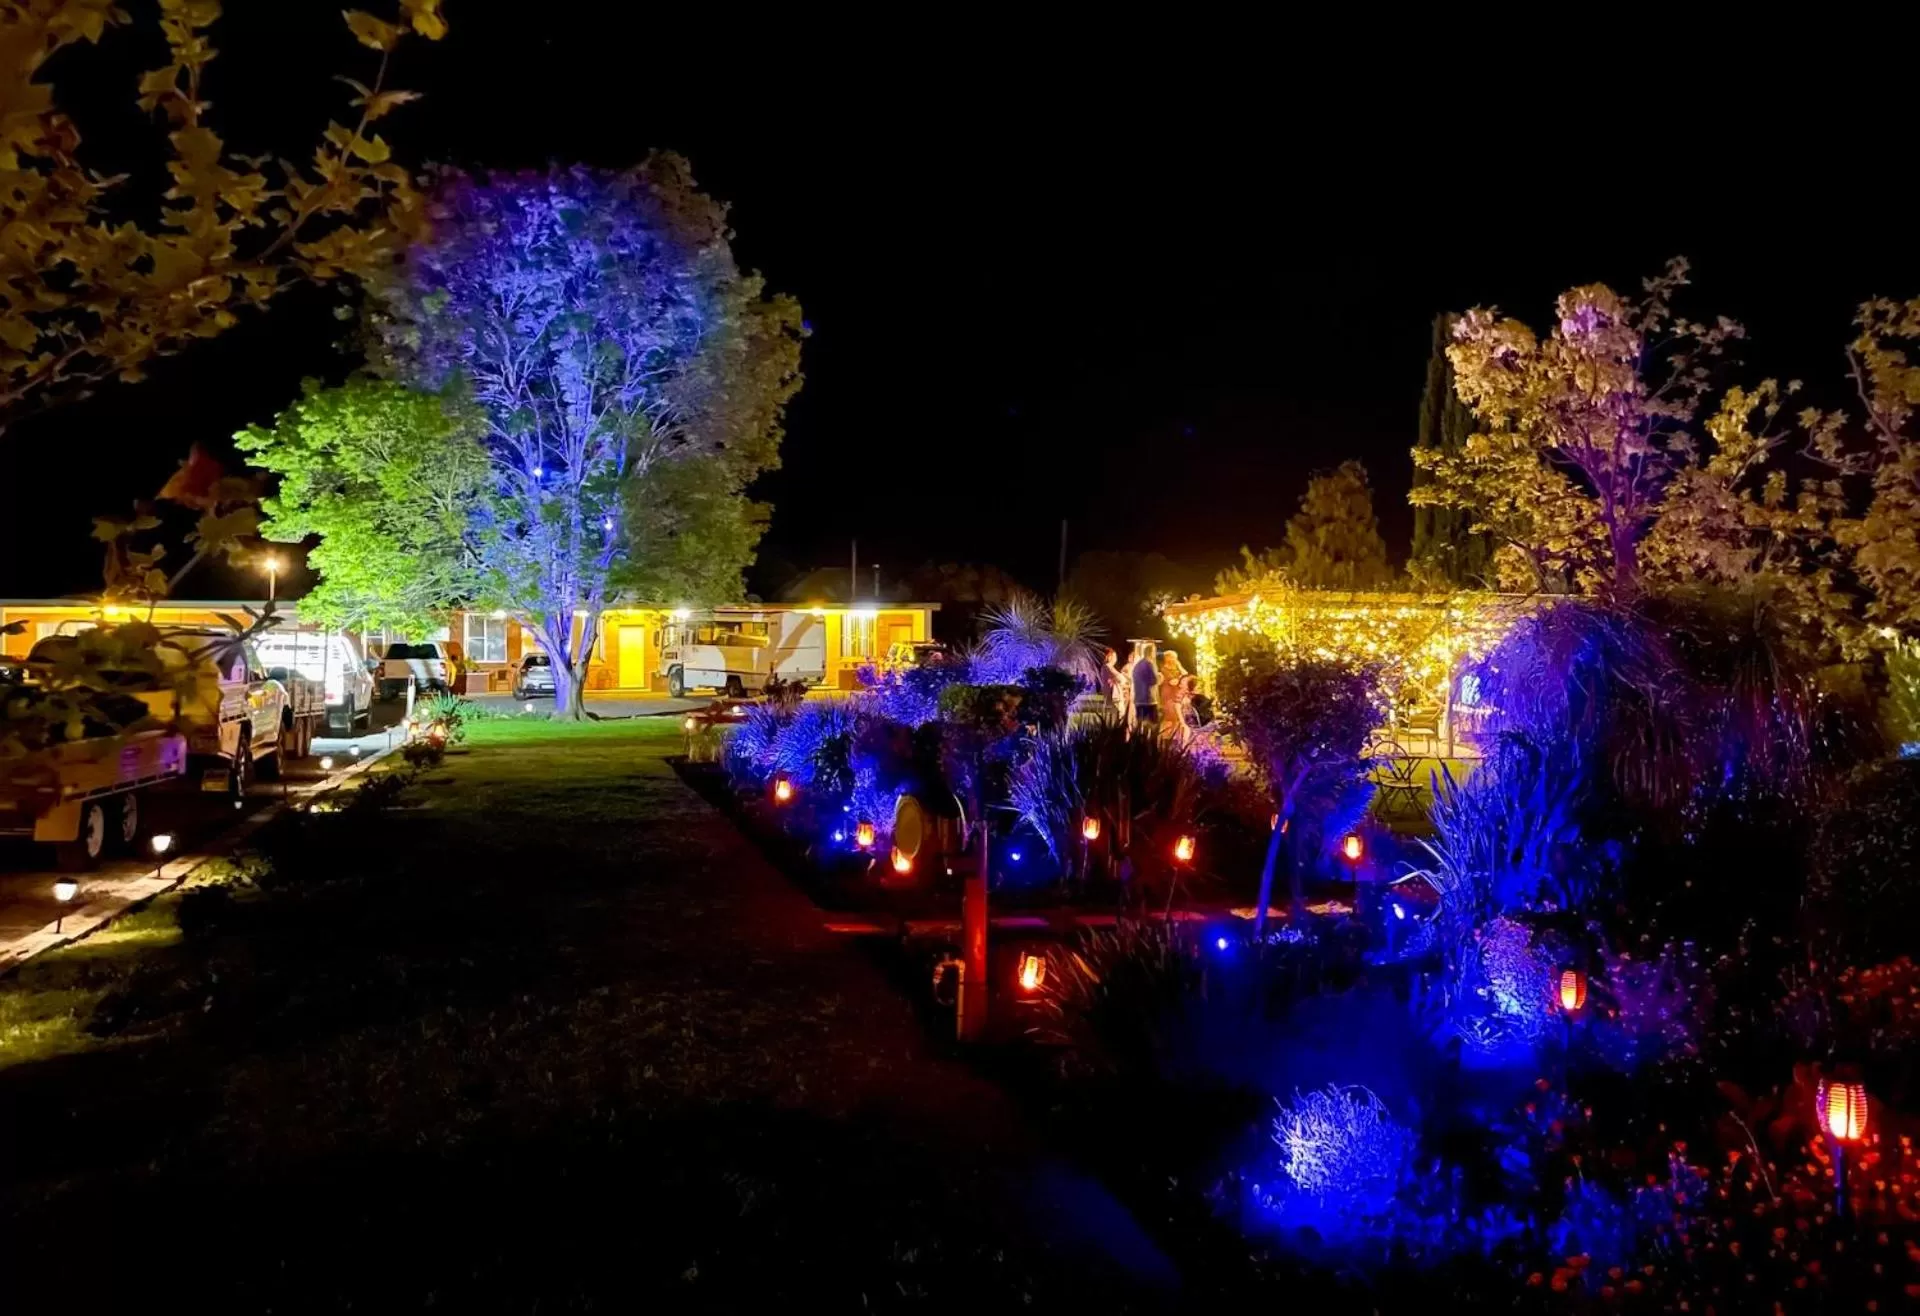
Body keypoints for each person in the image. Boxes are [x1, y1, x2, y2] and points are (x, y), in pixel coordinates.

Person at [1159, 649, 1194, 743]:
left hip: (1177, 692)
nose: (1173, 659)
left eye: (1175, 658)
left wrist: (1179, 666)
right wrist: (1179, 679)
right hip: (1168, 693)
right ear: (1167, 658)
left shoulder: (1177, 667)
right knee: (1171, 716)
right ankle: (1167, 736)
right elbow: (1172, 681)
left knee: (1177, 717)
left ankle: (1174, 736)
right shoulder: (1163, 668)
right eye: (1172, 657)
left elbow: (1185, 674)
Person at [1130, 640, 1160, 730]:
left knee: (1140, 724)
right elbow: (1154, 681)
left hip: (1139, 699)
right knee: (1152, 724)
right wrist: (1160, 677)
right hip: (1149, 699)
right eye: (1155, 652)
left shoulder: (1137, 665)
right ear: (1151, 652)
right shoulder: (1149, 664)